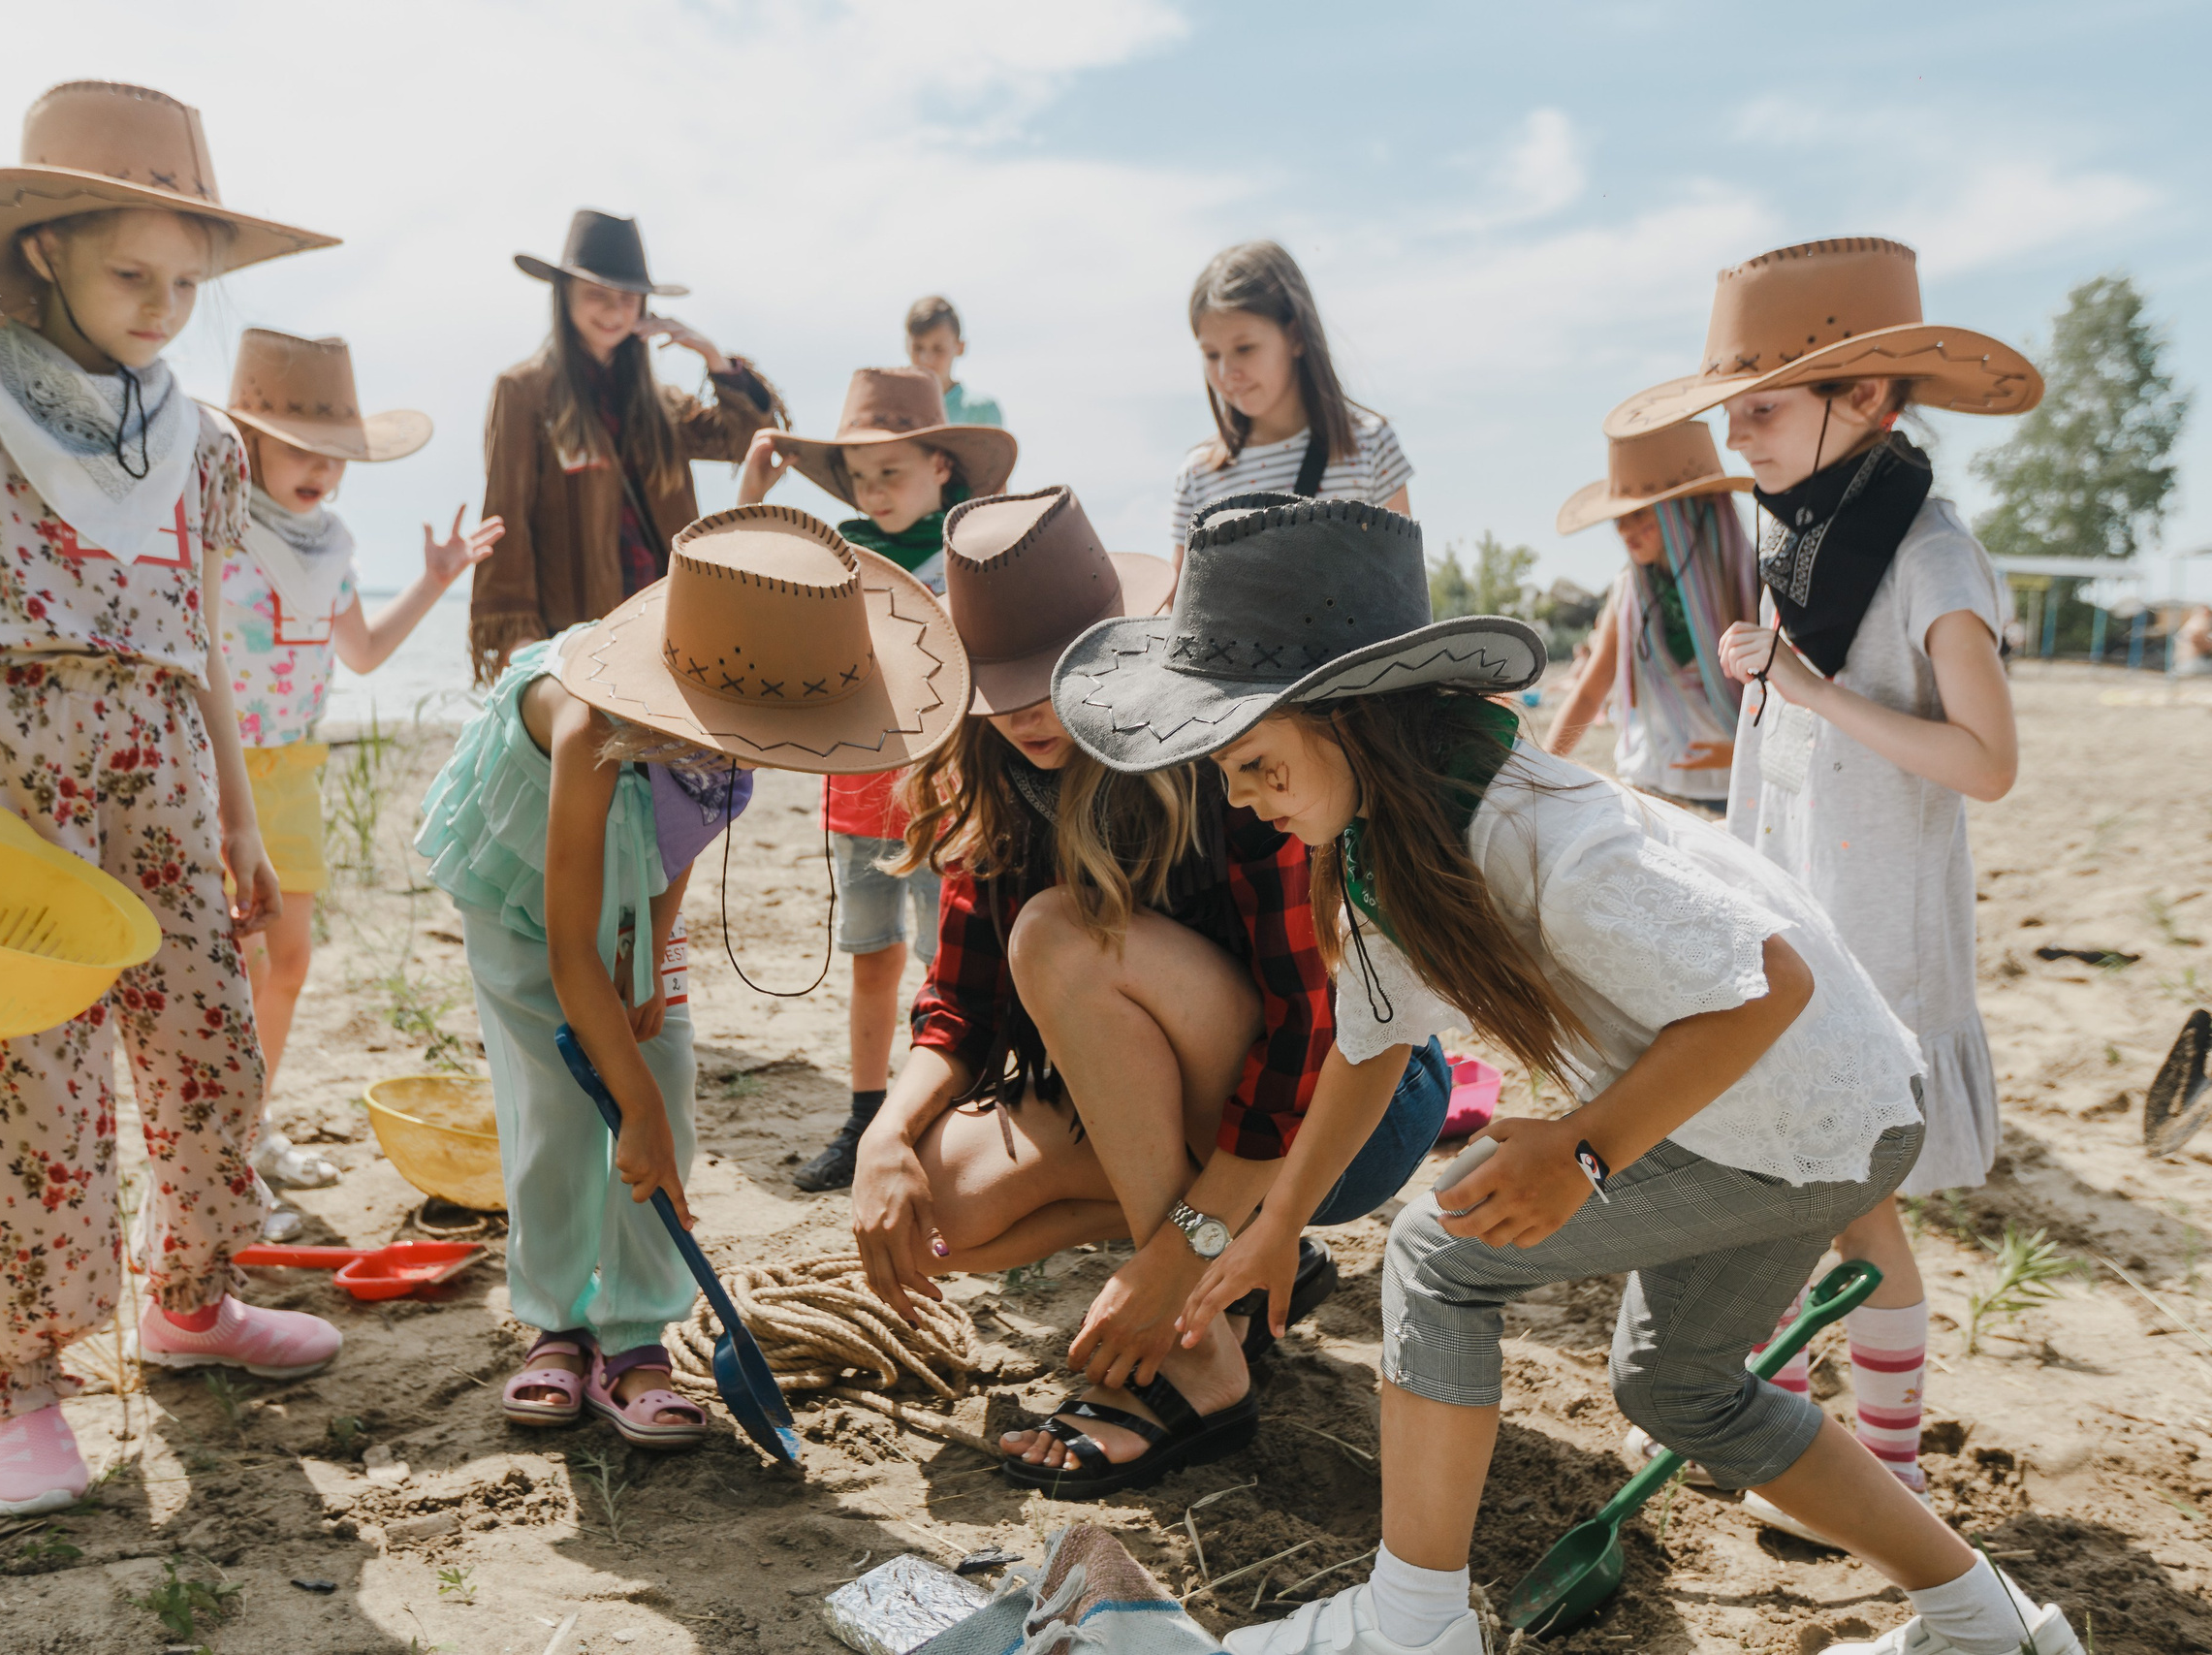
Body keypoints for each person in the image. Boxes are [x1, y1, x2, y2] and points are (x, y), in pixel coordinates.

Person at [1052, 493, 2081, 1655]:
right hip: (1780, 1104)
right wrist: (1278, 1220)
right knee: (1678, 1390)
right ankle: (1992, 1626)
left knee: (1440, 1260)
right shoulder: (1395, 832)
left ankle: (1413, 1622)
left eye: (1251, 764)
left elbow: (1769, 987)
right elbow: (1373, 1034)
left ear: (1345, 719)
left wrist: (1588, 1147)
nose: (1241, 799)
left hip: (1805, 1109)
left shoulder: (1552, 842)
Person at [0, 80, 345, 1517]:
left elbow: (197, 638)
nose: (166, 307)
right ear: (46, 247)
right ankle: (20, 1382)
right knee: (21, 1078)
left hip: (167, 764)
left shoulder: (206, 443)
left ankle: (188, 1298)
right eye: (134, 273)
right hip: (3, 761)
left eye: (190, 282)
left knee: (209, 1039)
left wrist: (242, 817)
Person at [849, 486, 1454, 1495]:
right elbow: (957, 1011)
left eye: (1043, 678)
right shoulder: (996, 783)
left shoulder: (1226, 763)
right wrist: (882, 1133)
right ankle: (1249, 1256)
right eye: (991, 686)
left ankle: (1199, 1349)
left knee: (1057, 933)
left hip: (1345, 1116)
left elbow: (1310, 1033)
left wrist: (1164, 1268)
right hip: (1183, 1104)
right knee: (938, 1215)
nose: (1018, 710)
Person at [1607, 238, 2039, 1545]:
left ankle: (1882, 1469)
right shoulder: (1809, 537)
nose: (1737, 435)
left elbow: (1991, 761)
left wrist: (1811, 692)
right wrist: (1765, 670)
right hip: (1797, 927)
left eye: (1763, 405)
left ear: (1869, 401)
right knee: (1793, 1192)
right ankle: (1789, 1444)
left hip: (1879, 941)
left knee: (1847, 1212)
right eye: (1730, 407)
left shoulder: (1931, 557)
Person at [419, 503, 970, 1446]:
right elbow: (564, 948)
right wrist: (622, 1101)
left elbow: (673, 849)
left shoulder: (745, 721)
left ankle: (635, 1338)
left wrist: (645, 958)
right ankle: (557, 1324)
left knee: (664, 1083)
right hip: (522, 906)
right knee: (560, 1106)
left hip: (625, 906)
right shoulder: (591, 725)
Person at [218, 329, 503, 1207]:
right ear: (248, 442)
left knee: (290, 961)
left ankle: (252, 1129)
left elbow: (366, 652)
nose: (320, 471)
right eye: (300, 450)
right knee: (230, 968)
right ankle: (213, 1145)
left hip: (295, 770)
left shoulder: (331, 544)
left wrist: (436, 579)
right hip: (210, 770)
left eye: (336, 456)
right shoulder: (214, 522)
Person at [735, 366, 1017, 1190]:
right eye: (860, 478)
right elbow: (741, 590)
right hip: (859, 787)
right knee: (871, 954)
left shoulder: (969, 551)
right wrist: (751, 494)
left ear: (943, 467)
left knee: (952, 960)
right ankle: (864, 1112)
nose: (875, 491)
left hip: (955, 793)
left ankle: (952, 1115)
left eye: (892, 471)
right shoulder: (838, 552)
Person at [469, 209, 786, 684]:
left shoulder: (660, 404)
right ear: (565, 295)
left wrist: (713, 357)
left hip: (670, 621)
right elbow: (505, 519)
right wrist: (521, 641)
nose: (614, 311)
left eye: (628, 298)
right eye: (597, 295)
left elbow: (746, 441)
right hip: (576, 633)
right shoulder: (525, 390)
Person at [1543, 422, 1757, 813]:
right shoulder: (1627, 591)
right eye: (1618, 517)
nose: (1624, 529)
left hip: (1737, 793)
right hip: (1650, 792)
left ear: (1689, 507)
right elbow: (1591, 692)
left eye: (1640, 512)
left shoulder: (1750, 583)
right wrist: (1541, 772)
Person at [1171, 241, 1411, 559]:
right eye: (1212, 355)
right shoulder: (1197, 476)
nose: (1227, 372)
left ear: (1295, 336)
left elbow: (1403, 588)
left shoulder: (1371, 447)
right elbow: (1181, 605)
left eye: (1245, 348)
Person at [904, 295, 1004, 428]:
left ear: (960, 347)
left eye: (938, 349)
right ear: (907, 346)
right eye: (918, 348)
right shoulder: (892, 412)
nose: (926, 359)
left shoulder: (981, 411)